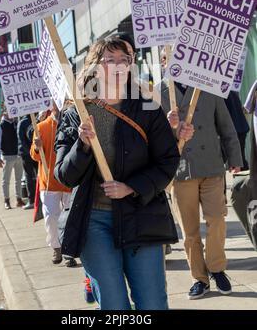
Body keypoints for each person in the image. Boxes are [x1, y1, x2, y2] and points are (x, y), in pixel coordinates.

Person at [54, 37, 180, 310]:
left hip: (142, 215)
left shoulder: (147, 107)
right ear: (94, 66)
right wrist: (83, 145)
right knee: (114, 304)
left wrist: (132, 187)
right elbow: (64, 175)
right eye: (110, 60)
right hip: (94, 222)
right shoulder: (77, 112)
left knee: (153, 303)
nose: (118, 66)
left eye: (125, 60)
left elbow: (168, 161)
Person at [161, 77, 243, 300]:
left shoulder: (208, 84)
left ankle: (217, 268)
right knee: (190, 231)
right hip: (180, 170)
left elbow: (225, 124)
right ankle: (200, 278)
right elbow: (153, 137)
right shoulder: (159, 91)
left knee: (217, 219)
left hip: (211, 166)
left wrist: (235, 157)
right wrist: (170, 126)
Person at [30, 102, 74, 265]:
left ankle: (69, 250)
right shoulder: (41, 127)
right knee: (51, 217)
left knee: (69, 216)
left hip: (69, 178)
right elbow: (34, 156)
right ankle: (56, 248)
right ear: (51, 107)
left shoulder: (72, 123)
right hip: (48, 181)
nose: (59, 105)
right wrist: (37, 147)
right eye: (55, 103)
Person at [0, 110, 25, 210]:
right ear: (4, 113)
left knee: (18, 180)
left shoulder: (16, 123)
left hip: (18, 155)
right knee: (6, 181)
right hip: (7, 156)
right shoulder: (0, 126)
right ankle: (6, 200)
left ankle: (19, 199)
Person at [224, 91, 250, 170]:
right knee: (240, 158)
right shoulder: (231, 92)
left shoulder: (222, 94)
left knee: (237, 160)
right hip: (241, 128)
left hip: (234, 129)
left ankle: (241, 179)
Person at [18, 114, 37, 210]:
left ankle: (33, 200)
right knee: (31, 176)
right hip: (29, 153)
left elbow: (21, 140)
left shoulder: (24, 122)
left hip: (30, 153)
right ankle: (33, 200)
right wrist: (32, 151)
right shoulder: (27, 121)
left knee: (30, 176)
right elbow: (22, 140)